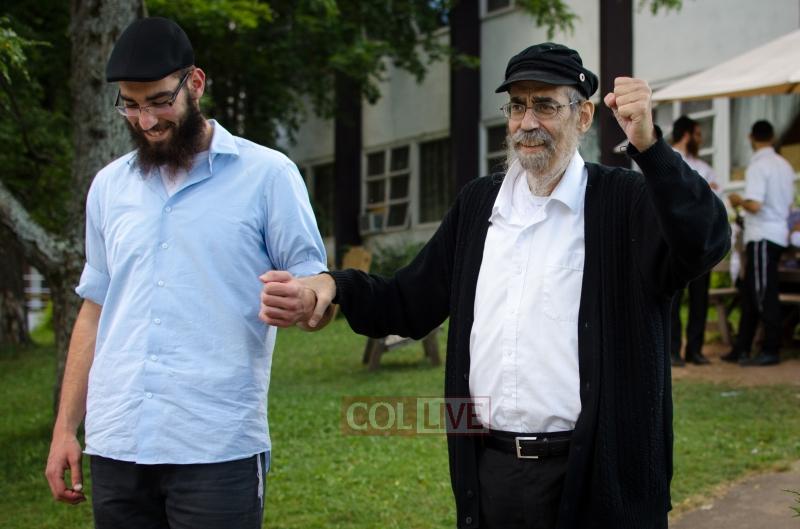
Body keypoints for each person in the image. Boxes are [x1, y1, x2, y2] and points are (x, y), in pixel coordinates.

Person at [262, 43, 730, 529]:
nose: (528, 122)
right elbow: (407, 302)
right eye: (518, 106)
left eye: (546, 105)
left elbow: (706, 241)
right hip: (491, 474)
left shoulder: (623, 202)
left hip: (599, 478)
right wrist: (332, 285)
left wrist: (650, 148)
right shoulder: (479, 206)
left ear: (584, 115)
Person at [44, 17, 326, 529]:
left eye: (157, 101)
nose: (145, 120)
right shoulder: (108, 188)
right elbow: (94, 312)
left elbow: (319, 288)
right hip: (116, 444)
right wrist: (67, 428)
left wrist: (305, 302)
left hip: (215, 446)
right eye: (130, 104)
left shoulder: (268, 175)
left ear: (194, 83)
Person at [724, 120, 795, 366]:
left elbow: (755, 204)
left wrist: (736, 200)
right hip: (778, 234)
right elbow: (788, 205)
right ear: (773, 136)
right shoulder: (785, 166)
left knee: (764, 292)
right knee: (751, 292)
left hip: (763, 235)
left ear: (750, 137)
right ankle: (741, 346)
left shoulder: (758, 166)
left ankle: (771, 348)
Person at [668, 115, 719, 366]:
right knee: (672, 299)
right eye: (698, 134)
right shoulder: (664, 158)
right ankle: (673, 350)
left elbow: (714, 199)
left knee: (700, 299)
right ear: (687, 134)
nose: (702, 139)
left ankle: (695, 350)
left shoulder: (704, 166)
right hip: (671, 243)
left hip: (700, 242)